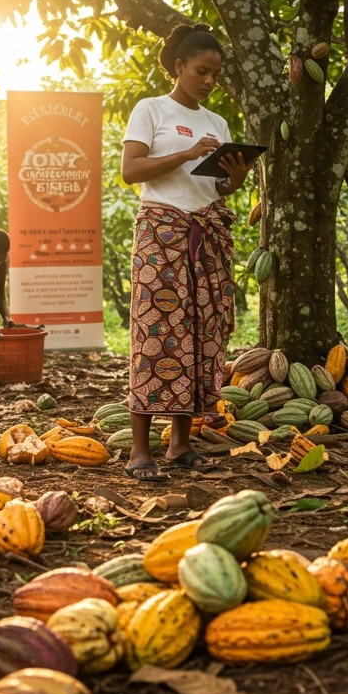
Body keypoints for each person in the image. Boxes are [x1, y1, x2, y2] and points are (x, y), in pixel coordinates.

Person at [120, 23, 255, 481]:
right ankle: (140, 449)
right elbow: (131, 170)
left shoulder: (217, 122)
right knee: (156, 331)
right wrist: (187, 153)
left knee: (199, 332)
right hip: (161, 233)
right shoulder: (150, 109)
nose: (210, 81)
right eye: (202, 71)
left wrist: (233, 180)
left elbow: (216, 186)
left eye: (216, 74)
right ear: (179, 67)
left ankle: (181, 444)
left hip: (207, 231)